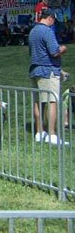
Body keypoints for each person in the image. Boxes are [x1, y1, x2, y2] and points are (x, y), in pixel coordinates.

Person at [29, 8, 68, 145]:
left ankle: (39, 133)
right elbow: (54, 52)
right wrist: (63, 48)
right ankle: (52, 135)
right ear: (50, 18)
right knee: (52, 102)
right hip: (48, 72)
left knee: (38, 103)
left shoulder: (33, 31)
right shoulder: (47, 31)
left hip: (35, 70)